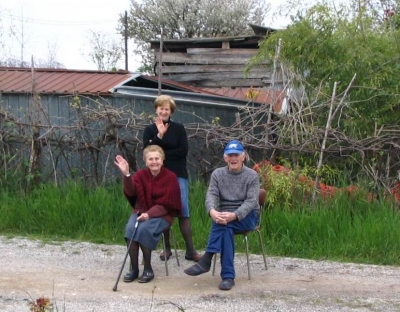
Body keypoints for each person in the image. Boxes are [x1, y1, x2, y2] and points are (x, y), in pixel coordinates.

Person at [184, 140, 260, 291]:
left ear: (243, 156)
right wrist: (212, 212)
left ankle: (207, 259)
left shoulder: (252, 175)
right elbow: (211, 195)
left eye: (236, 155)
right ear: (225, 158)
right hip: (224, 216)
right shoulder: (218, 174)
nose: (233, 158)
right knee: (225, 229)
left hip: (248, 216)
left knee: (224, 224)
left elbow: (252, 201)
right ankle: (228, 277)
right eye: (230, 155)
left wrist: (235, 215)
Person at [143, 94, 200, 262]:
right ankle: (166, 249)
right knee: (163, 211)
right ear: (156, 110)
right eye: (161, 108)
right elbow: (148, 152)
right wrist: (159, 136)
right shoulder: (150, 130)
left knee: (183, 212)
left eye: (167, 109)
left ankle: (190, 250)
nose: (164, 111)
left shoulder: (179, 128)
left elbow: (183, 151)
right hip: (158, 177)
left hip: (178, 175)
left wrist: (161, 155)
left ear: (171, 111)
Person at [114, 145, 182, 283]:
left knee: (144, 229)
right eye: (150, 159)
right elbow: (131, 192)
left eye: (157, 158)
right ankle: (134, 269)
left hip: (163, 214)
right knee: (130, 228)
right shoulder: (140, 175)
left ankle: (148, 269)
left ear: (162, 160)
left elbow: (167, 205)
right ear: (146, 162)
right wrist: (127, 175)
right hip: (141, 211)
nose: (154, 161)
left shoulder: (171, 177)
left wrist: (149, 214)